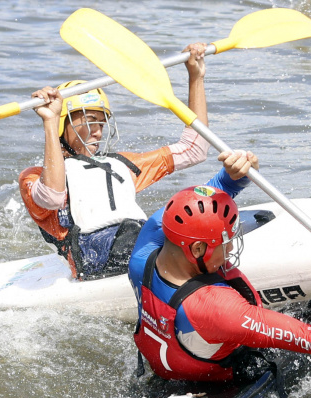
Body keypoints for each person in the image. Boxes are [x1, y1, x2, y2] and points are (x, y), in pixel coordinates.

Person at [127, 151, 311, 398]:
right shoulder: (216, 308)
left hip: (168, 365)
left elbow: (202, 199)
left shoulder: (146, 250)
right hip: (217, 381)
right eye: (224, 241)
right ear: (195, 250)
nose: (231, 246)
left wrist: (233, 178)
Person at [19, 43, 210, 280]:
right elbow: (52, 197)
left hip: (139, 243)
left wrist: (196, 77)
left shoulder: (122, 164)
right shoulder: (34, 177)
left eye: (101, 123)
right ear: (62, 124)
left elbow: (195, 149)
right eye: (90, 121)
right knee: (136, 232)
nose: (98, 131)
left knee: (187, 215)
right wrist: (50, 120)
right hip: (96, 260)